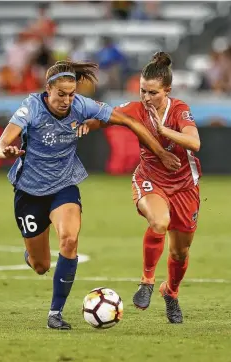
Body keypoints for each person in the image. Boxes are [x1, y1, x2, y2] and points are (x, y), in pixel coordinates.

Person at [0, 60, 180, 331]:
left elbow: (127, 120)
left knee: (69, 240)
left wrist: (161, 153)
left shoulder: (81, 105)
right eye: (61, 94)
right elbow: (1, 143)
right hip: (29, 192)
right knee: (41, 265)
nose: (67, 100)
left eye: (71, 94)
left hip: (64, 186)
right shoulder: (31, 106)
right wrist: (5, 151)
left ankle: (55, 313)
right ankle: (32, 255)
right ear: (48, 90)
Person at [86, 52, 201, 324]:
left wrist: (163, 130)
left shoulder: (179, 109)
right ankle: (147, 281)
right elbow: (105, 117)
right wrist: (85, 124)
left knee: (180, 252)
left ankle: (170, 292)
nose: (146, 97)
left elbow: (194, 143)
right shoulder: (136, 109)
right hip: (150, 179)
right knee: (159, 222)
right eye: (142, 91)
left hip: (185, 185)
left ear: (167, 91)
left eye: (152, 92)